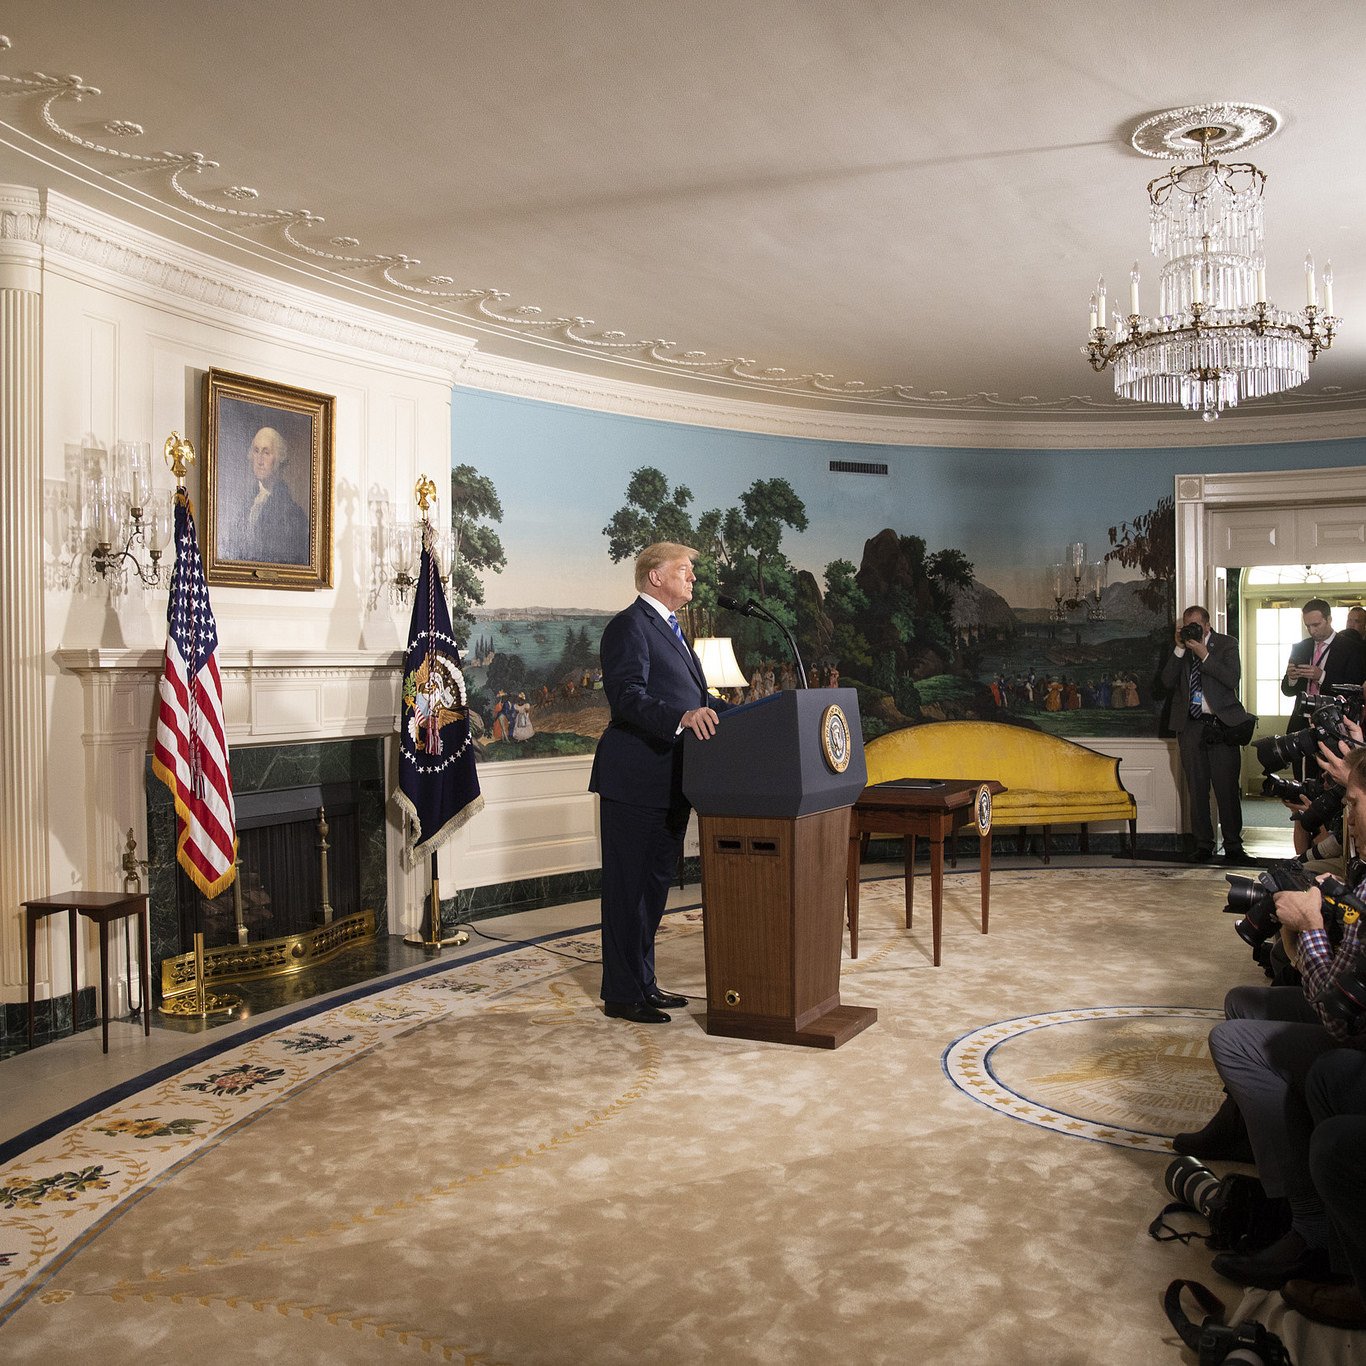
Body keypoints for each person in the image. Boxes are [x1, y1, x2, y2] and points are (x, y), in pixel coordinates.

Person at [1173, 745, 1366, 1292]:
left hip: (1355, 1030)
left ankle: (1307, 1228)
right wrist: (1330, 899)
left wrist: (1307, 929)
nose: (1347, 811)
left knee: (1234, 1041)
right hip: (1352, 1014)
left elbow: (1338, 1019)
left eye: (1352, 800)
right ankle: (1246, 1137)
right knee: (1242, 1002)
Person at [589, 543, 732, 1024]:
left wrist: (740, 713)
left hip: (672, 782)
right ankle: (623, 995)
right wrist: (683, 716)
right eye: (684, 571)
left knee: (652, 892)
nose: (692, 579)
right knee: (628, 890)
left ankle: (644, 984)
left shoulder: (673, 630)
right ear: (654, 577)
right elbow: (628, 696)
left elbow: (695, 696)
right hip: (634, 779)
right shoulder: (627, 626)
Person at [1160, 605, 1252, 862]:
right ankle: (1203, 845)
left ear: (1208, 626)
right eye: (1187, 625)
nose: (1192, 630)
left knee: (1226, 788)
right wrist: (1180, 648)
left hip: (1222, 725)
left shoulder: (1226, 644)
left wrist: (1204, 654)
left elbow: (1232, 679)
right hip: (1190, 726)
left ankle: (1233, 845)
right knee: (1197, 788)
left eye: (1196, 626)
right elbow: (1166, 682)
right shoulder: (1181, 649)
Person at [1281, 598, 1365, 776]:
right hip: (1302, 722)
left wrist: (1322, 677)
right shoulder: (1301, 648)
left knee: (1331, 779)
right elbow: (1287, 690)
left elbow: (1355, 686)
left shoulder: (1351, 648)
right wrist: (1292, 678)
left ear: (1329, 619)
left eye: (1316, 625)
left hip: (1335, 724)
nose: (1312, 631)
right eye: (1308, 626)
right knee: (1302, 779)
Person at [230, 426, 309, 564]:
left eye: (266, 453)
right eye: (256, 451)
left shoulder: (293, 514)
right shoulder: (244, 503)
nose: (259, 460)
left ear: (279, 460)